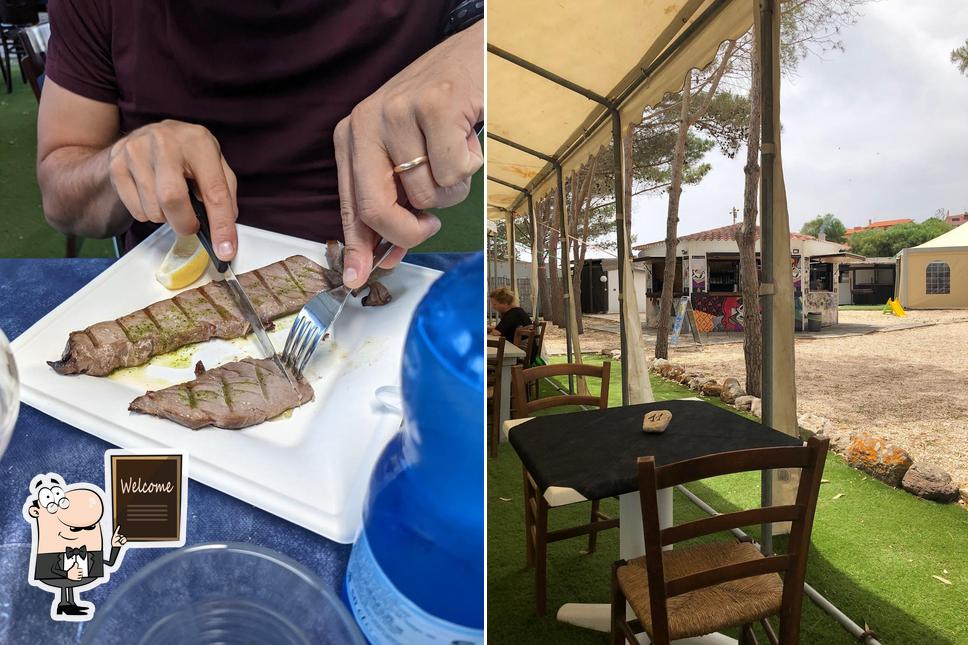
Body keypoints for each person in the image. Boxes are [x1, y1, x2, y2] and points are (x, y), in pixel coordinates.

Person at [36, 0, 483, 289]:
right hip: (166, 273)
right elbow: (61, 196)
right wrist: (122, 163)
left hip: (363, 275)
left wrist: (479, 47)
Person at [23, 474, 128, 619]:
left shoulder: (90, 551)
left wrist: (115, 546)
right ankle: (65, 605)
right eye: (75, 529)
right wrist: (67, 574)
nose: (81, 532)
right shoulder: (50, 552)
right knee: (65, 584)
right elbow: (50, 570)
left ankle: (68, 605)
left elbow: (109, 563)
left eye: (90, 527)